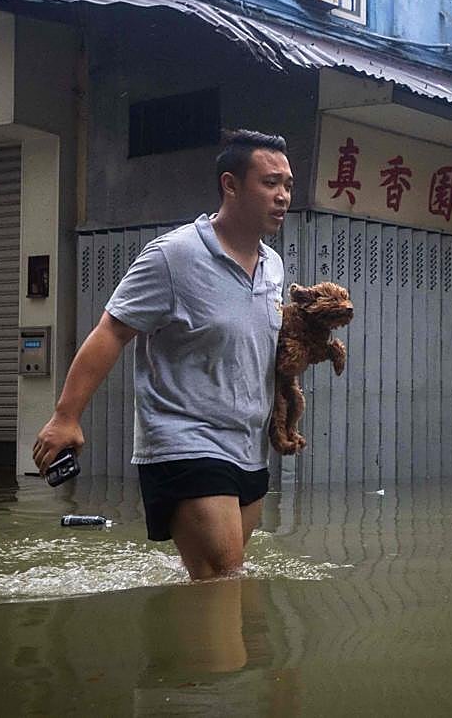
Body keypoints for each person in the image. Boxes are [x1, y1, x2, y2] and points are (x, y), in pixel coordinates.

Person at [33, 129, 292, 579]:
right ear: (230, 185)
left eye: (288, 184)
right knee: (224, 575)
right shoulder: (175, 256)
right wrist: (65, 416)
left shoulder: (273, 264)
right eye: (270, 183)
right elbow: (111, 331)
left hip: (248, 449)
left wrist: (283, 410)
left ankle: (178, 649)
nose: (283, 195)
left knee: (216, 579)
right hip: (184, 441)